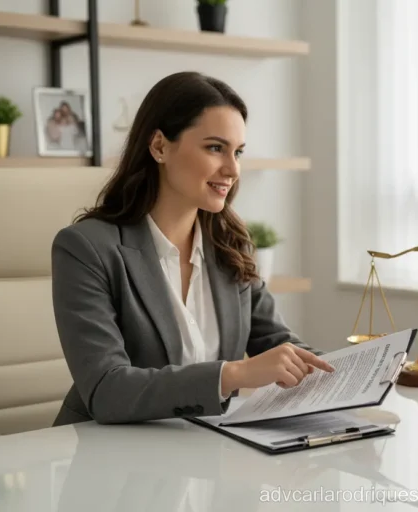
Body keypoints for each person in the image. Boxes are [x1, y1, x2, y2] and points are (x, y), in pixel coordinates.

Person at [51, 71, 333, 427]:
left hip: (202, 456)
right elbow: (107, 390)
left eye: (238, 152)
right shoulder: (86, 249)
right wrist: (233, 375)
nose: (232, 169)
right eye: (215, 148)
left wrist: (365, 367)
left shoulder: (231, 246)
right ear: (159, 146)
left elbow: (280, 345)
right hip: (104, 460)